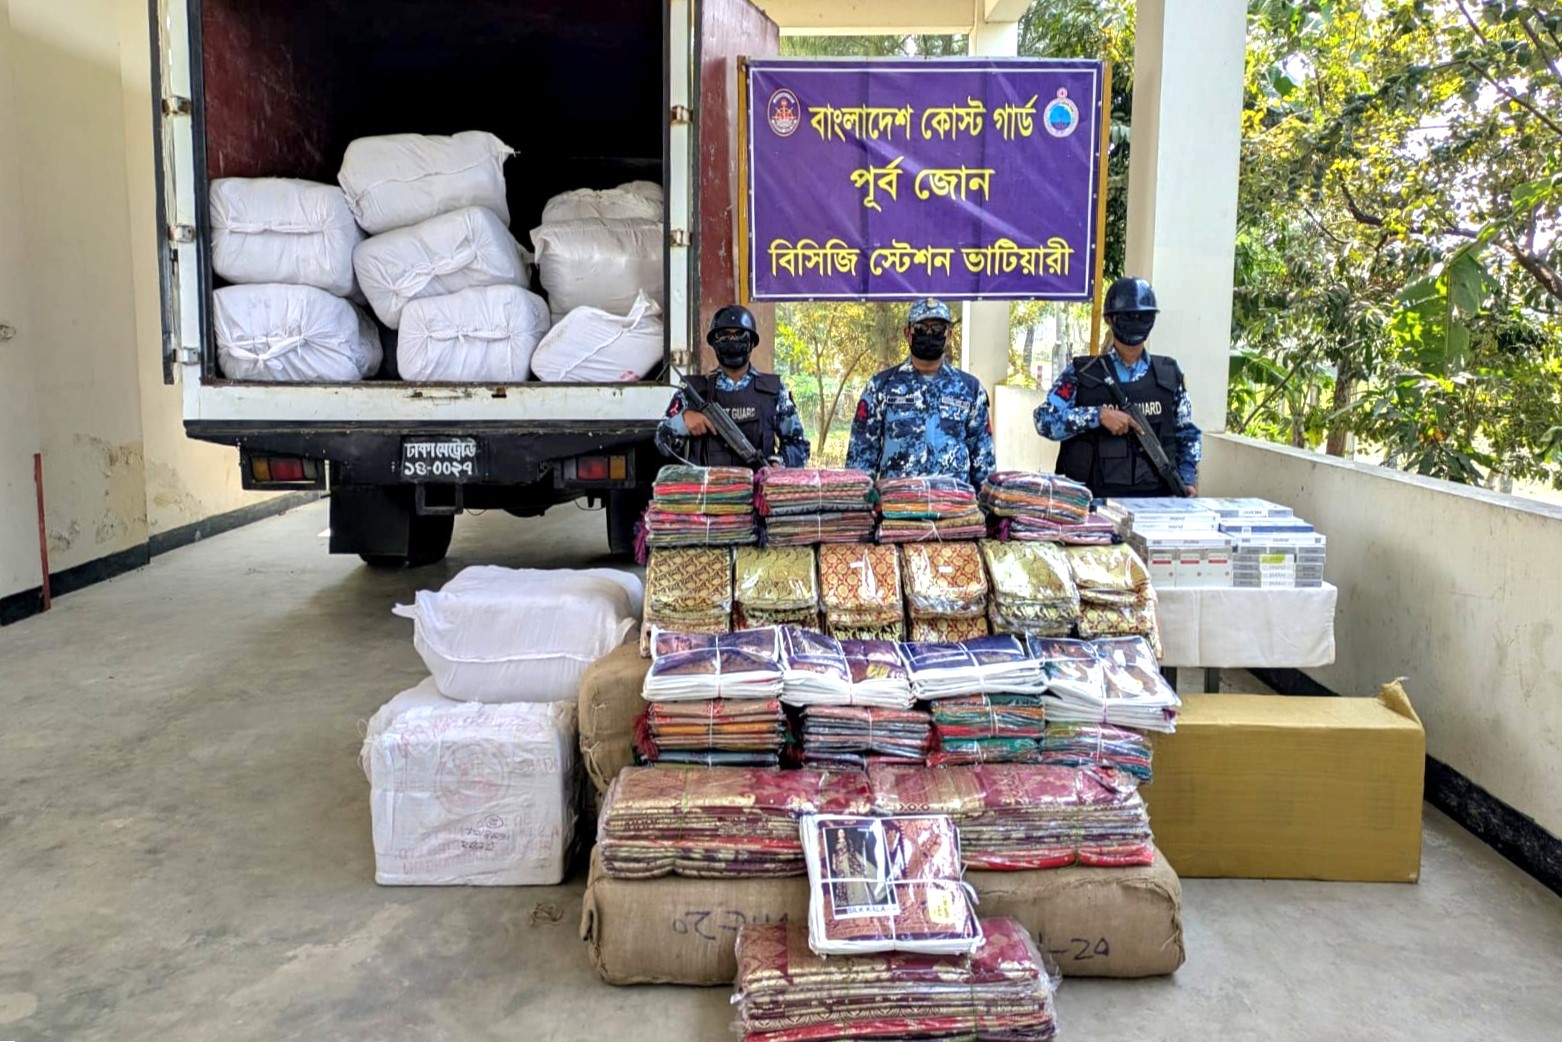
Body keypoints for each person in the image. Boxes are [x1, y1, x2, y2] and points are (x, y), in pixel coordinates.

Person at [1034, 276, 1202, 499]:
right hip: (1093, 504)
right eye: (1128, 316)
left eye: (1142, 316)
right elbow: (1044, 420)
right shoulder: (1081, 373)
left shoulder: (1168, 374)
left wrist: (1187, 478)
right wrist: (1097, 415)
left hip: (1157, 502)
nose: (1135, 321)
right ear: (1109, 319)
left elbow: (1187, 433)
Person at [845, 298, 996, 490]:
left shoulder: (970, 390)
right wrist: (861, 501)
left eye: (937, 329)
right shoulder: (881, 387)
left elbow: (984, 459)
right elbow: (861, 457)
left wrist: (986, 504)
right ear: (908, 333)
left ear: (949, 334)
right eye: (921, 328)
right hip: (897, 503)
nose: (929, 334)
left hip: (953, 504)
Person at [655, 304, 810, 469]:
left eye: (739, 335)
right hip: (706, 485)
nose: (732, 341)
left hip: (757, 484)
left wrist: (778, 464)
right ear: (714, 342)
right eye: (724, 336)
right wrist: (683, 423)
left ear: (752, 342)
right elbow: (661, 443)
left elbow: (799, 446)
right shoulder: (692, 391)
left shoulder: (774, 391)